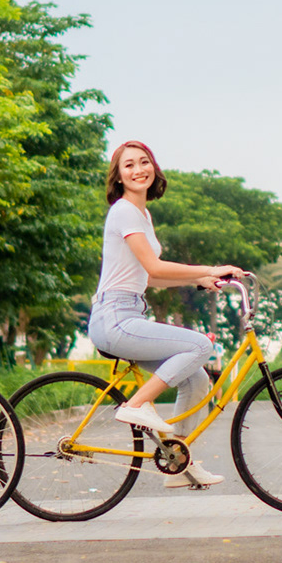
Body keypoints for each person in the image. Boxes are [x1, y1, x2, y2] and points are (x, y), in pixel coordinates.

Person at [89, 140, 240, 489]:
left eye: (144, 162)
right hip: (115, 317)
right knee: (201, 346)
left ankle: (178, 464)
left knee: (197, 379)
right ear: (118, 176)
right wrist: (211, 267)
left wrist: (201, 280)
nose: (138, 169)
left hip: (129, 313)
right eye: (129, 165)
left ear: (154, 168)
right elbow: (155, 266)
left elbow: (149, 276)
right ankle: (136, 404)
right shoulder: (124, 211)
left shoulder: (142, 214)